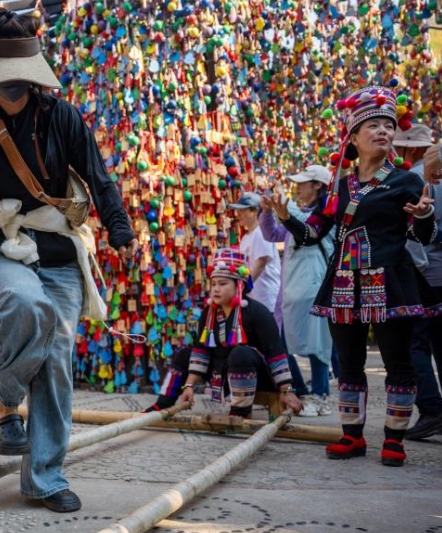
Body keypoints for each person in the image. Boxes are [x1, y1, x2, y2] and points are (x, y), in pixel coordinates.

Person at [0, 8, 138, 513]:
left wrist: (119, 229)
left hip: (57, 248)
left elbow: (98, 177)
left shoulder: (64, 116)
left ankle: (44, 478)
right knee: (28, 305)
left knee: (56, 358)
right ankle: (6, 394)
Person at [280, 86, 442, 467]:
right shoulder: (340, 185)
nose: (384, 131)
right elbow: (312, 234)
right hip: (343, 284)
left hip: (390, 281)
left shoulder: (407, 182)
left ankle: (394, 439)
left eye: (389, 125)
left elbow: (423, 236)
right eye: (374, 125)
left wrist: (421, 217)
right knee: (349, 363)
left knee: (398, 363)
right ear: (353, 137)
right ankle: (352, 435)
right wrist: (286, 217)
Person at [144, 248, 302, 417]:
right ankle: (162, 405)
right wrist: (189, 386)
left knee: (241, 352)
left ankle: (239, 412)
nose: (216, 289)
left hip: (258, 377)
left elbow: (275, 353)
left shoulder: (258, 313)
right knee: (185, 354)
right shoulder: (209, 313)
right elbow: (201, 351)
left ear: (239, 285)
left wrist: (287, 390)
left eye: (223, 284)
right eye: (214, 284)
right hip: (222, 374)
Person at [260, 165, 337, 416]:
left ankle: (321, 396)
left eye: (304, 183)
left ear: (318, 185)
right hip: (294, 293)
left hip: (314, 288)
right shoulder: (295, 214)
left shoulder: (326, 215)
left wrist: (284, 208)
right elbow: (272, 234)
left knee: (318, 346)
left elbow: (306, 231)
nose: (298, 187)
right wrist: (268, 212)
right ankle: (300, 391)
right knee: (285, 345)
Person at [396, 124, 442, 440]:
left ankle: (432, 409)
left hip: (427, 271)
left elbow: (417, 233)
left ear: (412, 150)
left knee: (413, 341)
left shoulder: (418, 177)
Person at [227, 192, 282, 321]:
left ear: (254, 211)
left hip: (267, 300)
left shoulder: (261, 232)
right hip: (254, 299)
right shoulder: (246, 237)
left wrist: (244, 287)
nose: (238, 215)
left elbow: (261, 263)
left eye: (242, 210)